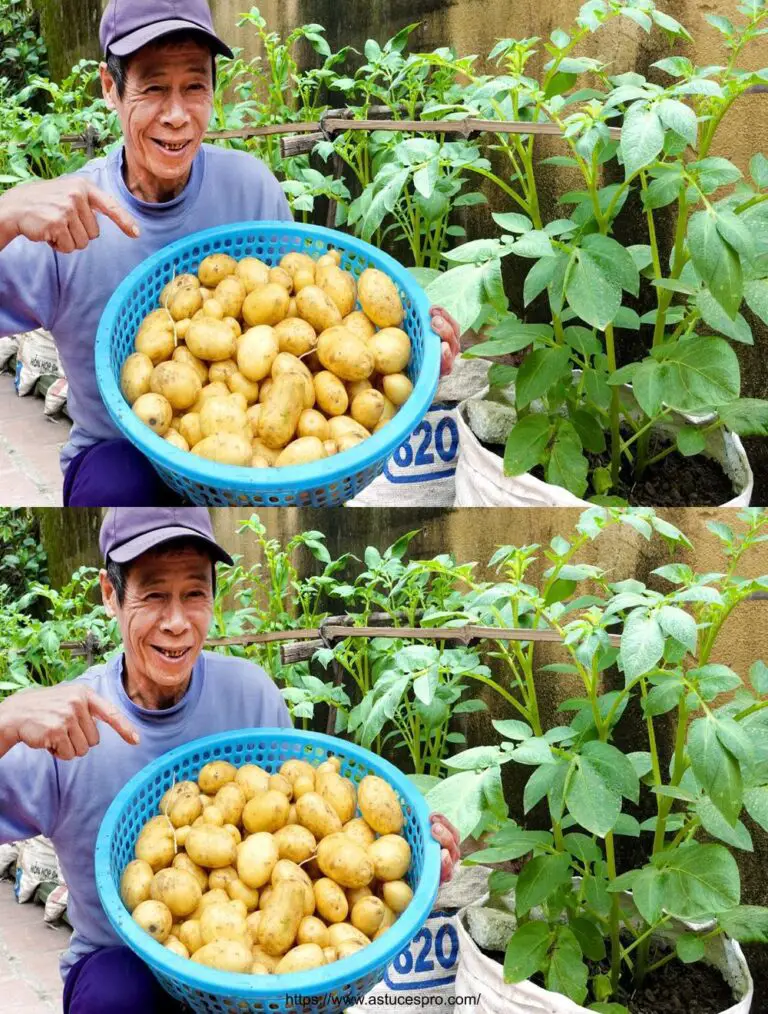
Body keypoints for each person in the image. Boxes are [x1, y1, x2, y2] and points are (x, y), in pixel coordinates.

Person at [0, 0, 461, 507]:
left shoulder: (250, 187)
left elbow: (317, 321)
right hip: (123, 450)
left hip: (258, 462)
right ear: (111, 90)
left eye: (194, 86)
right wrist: (6, 214)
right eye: (153, 88)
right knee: (117, 483)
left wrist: (415, 361)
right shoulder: (64, 217)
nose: (176, 116)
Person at [0, 507, 462, 1014]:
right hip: (126, 961)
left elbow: (317, 838)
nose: (176, 623)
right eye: (154, 595)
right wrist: (6, 720)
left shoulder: (249, 693)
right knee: (115, 992)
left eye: (194, 594)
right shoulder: (66, 723)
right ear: (111, 597)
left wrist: (416, 867)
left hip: (257, 972)